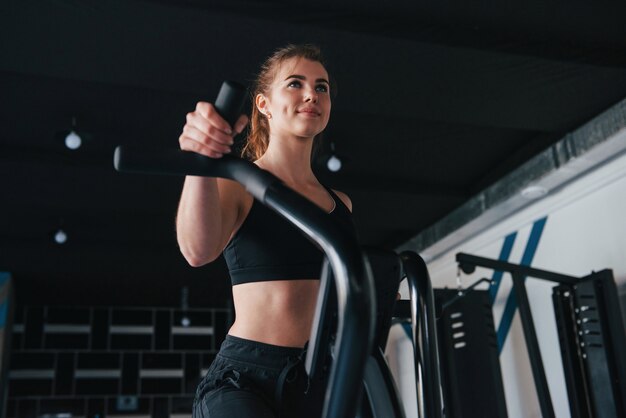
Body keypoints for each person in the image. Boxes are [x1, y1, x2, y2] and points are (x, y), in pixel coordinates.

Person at [176, 44, 355, 418]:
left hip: (322, 378)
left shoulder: (340, 204)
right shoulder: (238, 183)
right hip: (247, 377)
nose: (311, 94)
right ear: (263, 104)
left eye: (321, 87)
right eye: (295, 83)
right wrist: (202, 162)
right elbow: (197, 250)